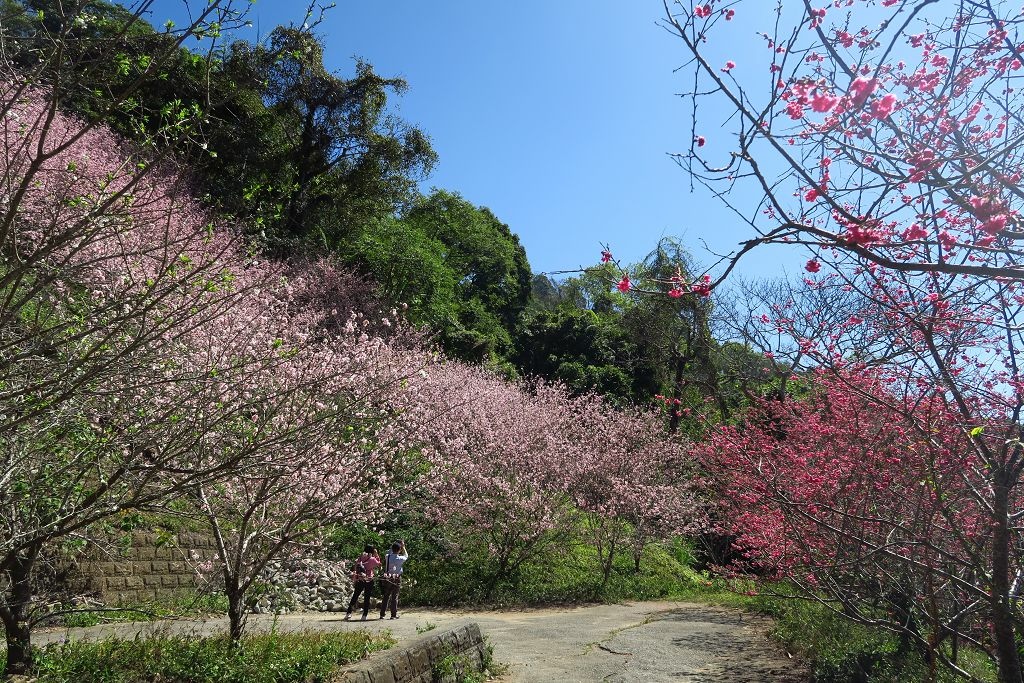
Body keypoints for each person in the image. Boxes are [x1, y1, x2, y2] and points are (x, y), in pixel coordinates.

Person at [344, 544, 380, 621]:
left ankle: (348, 613)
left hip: (360, 579)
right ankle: (364, 615)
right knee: (367, 598)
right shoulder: (372, 559)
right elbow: (378, 563)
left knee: (355, 596)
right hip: (368, 579)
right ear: (372, 551)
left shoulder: (360, 558)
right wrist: (376, 555)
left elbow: (356, 565)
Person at [378, 540, 408, 620]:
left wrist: (395, 544)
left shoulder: (388, 556)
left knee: (386, 596)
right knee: (395, 596)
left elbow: (389, 551)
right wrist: (403, 546)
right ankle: (393, 615)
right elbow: (406, 555)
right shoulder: (400, 558)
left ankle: (382, 614)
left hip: (387, 577)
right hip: (397, 578)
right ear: (399, 550)